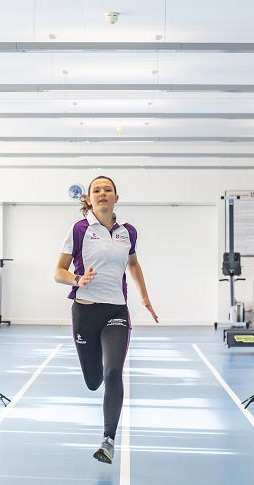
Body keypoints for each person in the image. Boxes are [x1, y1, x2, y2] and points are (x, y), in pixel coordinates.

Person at [54, 176, 158, 464]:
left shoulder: (128, 232)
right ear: (89, 198)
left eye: (107, 190)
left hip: (116, 312)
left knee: (113, 372)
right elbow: (58, 272)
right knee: (93, 380)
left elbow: (133, 264)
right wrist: (78, 279)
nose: (102, 194)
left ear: (116, 197)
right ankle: (96, 362)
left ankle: (107, 440)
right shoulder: (79, 229)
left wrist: (145, 298)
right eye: (96, 190)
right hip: (85, 313)